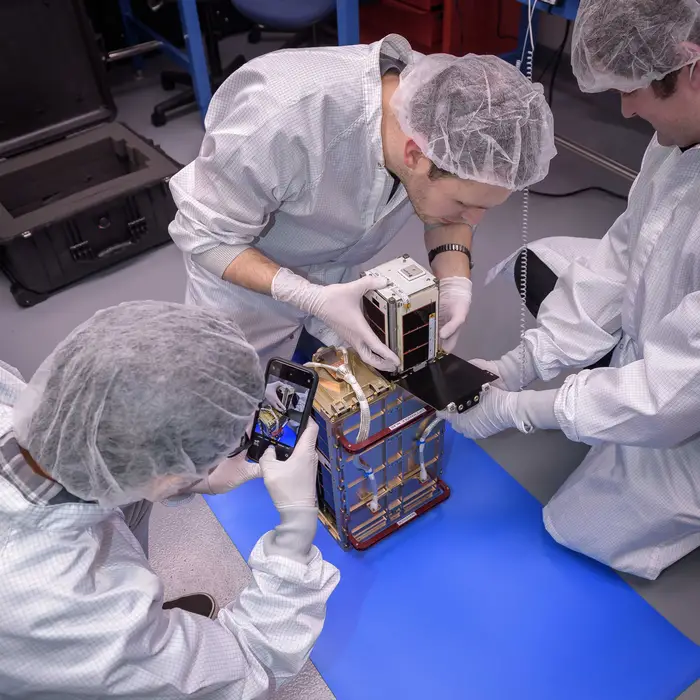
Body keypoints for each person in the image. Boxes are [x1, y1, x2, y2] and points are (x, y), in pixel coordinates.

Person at [442, 0, 700, 581]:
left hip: (688, 398)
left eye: (634, 88)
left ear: (694, 69)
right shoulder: (677, 140)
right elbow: (623, 257)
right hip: (673, 344)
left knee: (580, 526)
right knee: (533, 264)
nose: (626, 109)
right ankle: (602, 395)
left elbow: (673, 390)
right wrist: (518, 364)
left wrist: (524, 410)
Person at [0, 301, 339, 699]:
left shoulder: (42, 412)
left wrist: (188, 481)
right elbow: (246, 667)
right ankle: (152, 651)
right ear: (165, 475)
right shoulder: (70, 606)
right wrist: (297, 525)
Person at [168, 34, 557, 370]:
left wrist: (455, 281)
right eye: (463, 202)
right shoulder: (282, 118)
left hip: (337, 276)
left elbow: (452, 212)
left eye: (485, 207)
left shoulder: (447, 109)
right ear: (414, 155)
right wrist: (306, 295)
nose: (472, 220)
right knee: (236, 418)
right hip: (241, 286)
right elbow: (204, 236)